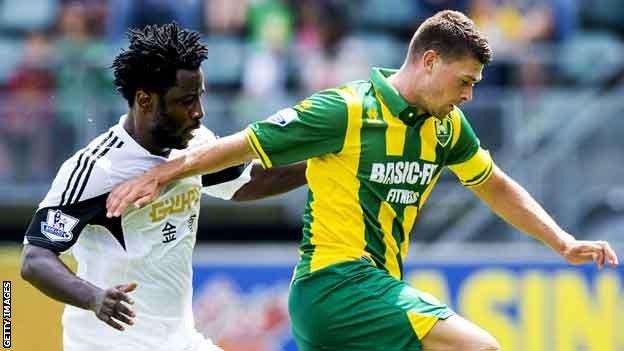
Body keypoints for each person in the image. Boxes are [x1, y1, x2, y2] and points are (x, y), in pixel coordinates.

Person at [105, 11, 619, 351]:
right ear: (430, 61)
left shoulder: (446, 128)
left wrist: (562, 241)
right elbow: (246, 142)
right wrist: (163, 172)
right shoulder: (346, 110)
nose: (468, 96)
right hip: (337, 284)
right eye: (464, 81)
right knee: (480, 348)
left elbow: (495, 185)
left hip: (366, 294)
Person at [20, 23, 306, 351]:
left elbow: (246, 182)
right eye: (185, 101)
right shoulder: (98, 169)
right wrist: (95, 298)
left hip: (179, 341)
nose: (199, 112)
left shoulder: (196, 142)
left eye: (199, 96)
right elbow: (35, 256)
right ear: (145, 100)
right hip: (108, 345)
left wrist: (319, 167)